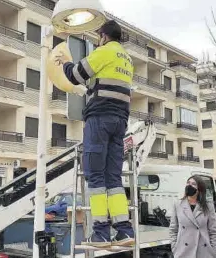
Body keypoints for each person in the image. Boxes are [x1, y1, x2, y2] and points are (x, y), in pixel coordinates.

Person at [54, 20, 134, 248]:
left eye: (99, 37)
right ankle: (124, 230)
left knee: (95, 175)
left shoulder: (104, 51)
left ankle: (100, 233)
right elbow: (108, 84)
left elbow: (75, 74)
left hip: (100, 119)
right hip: (120, 121)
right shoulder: (126, 59)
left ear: (104, 36)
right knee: (113, 178)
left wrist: (67, 62)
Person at [169, 175, 216, 258]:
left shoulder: (208, 206)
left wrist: (214, 251)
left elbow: (213, 231)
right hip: (183, 252)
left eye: (193, 184)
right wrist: (175, 248)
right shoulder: (178, 204)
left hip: (204, 252)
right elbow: (173, 229)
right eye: (188, 183)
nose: (189, 185)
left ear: (199, 189)